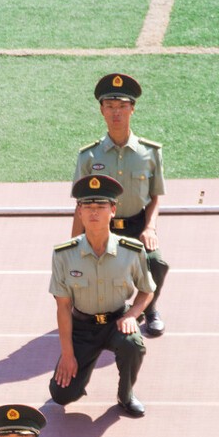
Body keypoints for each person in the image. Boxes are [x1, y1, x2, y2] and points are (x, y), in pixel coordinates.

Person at [49, 175, 155, 417]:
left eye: (100, 207)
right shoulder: (64, 255)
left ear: (113, 210)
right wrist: (68, 354)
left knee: (133, 344)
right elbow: (63, 307)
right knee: (61, 395)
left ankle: (125, 394)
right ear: (79, 213)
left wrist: (132, 315)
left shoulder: (132, 251)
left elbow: (147, 290)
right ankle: (81, 373)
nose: (93, 212)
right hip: (82, 328)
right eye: (87, 207)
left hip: (117, 322)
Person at [72, 73, 168, 337]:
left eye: (123, 106)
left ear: (132, 109)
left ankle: (149, 310)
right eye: (110, 107)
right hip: (102, 227)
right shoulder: (89, 155)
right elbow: (81, 204)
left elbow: (155, 196)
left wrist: (150, 228)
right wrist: (74, 243)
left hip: (137, 224)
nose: (117, 113)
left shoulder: (150, 153)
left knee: (156, 263)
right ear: (102, 110)